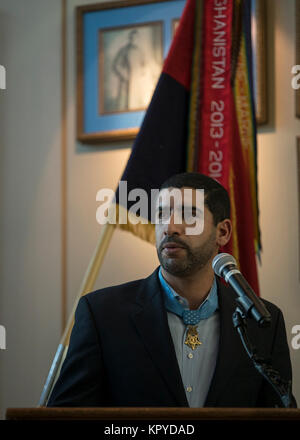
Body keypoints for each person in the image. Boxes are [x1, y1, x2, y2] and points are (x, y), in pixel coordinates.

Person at [47, 173, 296, 408]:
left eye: (188, 216)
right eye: (162, 214)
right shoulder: (102, 315)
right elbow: (68, 414)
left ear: (222, 232)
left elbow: (276, 412)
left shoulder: (263, 322)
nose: (170, 227)